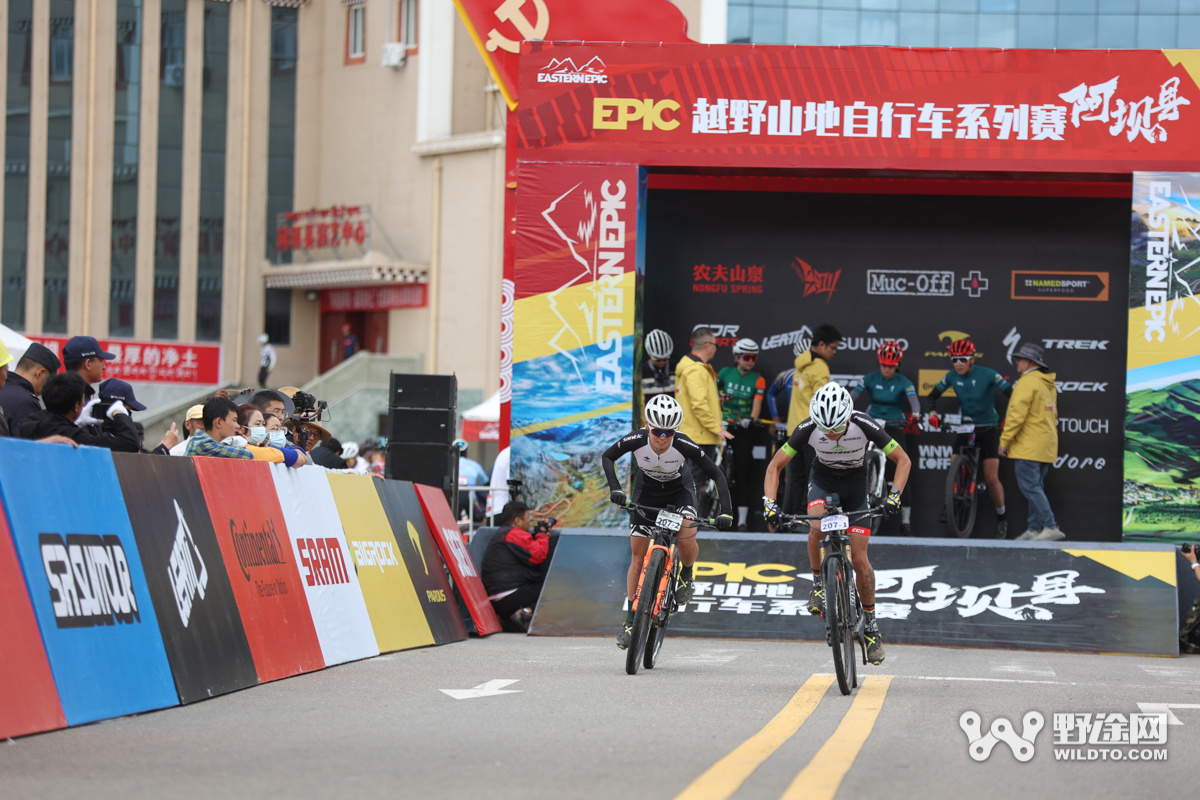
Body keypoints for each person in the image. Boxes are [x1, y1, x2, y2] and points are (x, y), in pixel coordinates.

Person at [762, 383, 911, 666]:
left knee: (859, 557)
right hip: (823, 480)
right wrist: (769, 503)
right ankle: (819, 584)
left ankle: (870, 627)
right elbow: (774, 466)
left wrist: (894, 496)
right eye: (825, 429)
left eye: (837, 428)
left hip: (856, 483)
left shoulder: (863, 423)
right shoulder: (807, 427)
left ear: (848, 417)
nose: (830, 434)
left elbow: (902, 460)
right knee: (817, 526)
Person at [602, 394, 733, 651]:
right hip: (646, 492)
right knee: (638, 559)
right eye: (657, 431)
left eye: (669, 432)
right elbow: (608, 457)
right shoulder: (637, 439)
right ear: (648, 427)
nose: (662, 437)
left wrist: (726, 511)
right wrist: (615, 489)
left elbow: (716, 474)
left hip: (679, 492)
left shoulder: (683, 443)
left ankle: (686, 573)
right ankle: (630, 621)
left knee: (686, 537)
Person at [925, 338, 1013, 538]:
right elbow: (931, 397)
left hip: (989, 427)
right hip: (966, 426)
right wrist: (932, 414)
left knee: (991, 478)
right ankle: (950, 505)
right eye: (954, 359)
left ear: (972, 359)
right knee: (954, 465)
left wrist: (1011, 418)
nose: (958, 364)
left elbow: (1013, 395)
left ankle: (1002, 517)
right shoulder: (951, 376)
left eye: (963, 359)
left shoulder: (988, 374)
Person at [849, 340, 921, 535]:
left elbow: (914, 400)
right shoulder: (870, 378)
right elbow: (853, 396)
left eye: (891, 365)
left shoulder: (903, 382)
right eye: (884, 365)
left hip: (895, 426)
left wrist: (916, 414)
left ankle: (905, 521)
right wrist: (844, 407)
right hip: (872, 425)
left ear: (897, 364)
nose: (887, 369)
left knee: (902, 472)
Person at [1001, 343, 1063, 542]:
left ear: (1031, 362)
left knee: (1030, 488)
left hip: (1029, 445)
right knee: (1035, 487)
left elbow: (1016, 415)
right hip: (1046, 445)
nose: (1017, 361)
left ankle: (1051, 526)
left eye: (1020, 358)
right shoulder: (1046, 383)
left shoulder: (1027, 382)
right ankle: (1035, 528)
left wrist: (1005, 440)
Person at [784, 324, 842, 514]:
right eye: (833, 348)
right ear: (822, 345)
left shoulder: (801, 364)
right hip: (812, 431)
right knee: (814, 478)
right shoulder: (820, 367)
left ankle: (794, 518)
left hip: (794, 430)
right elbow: (823, 402)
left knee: (796, 478)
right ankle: (807, 517)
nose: (834, 352)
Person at [717, 338, 770, 531]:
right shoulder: (725, 373)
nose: (750, 361)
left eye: (754, 358)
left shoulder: (758, 379)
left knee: (742, 473)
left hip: (743, 428)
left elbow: (757, 405)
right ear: (737, 356)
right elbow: (714, 393)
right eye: (747, 357)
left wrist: (752, 418)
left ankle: (741, 521)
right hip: (722, 426)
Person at [674, 326, 733, 491]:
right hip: (699, 438)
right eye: (716, 345)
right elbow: (698, 405)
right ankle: (691, 518)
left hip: (694, 436)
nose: (716, 348)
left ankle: (688, 516)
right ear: (707, 345)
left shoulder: (692, 368)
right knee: (694, 487)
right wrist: (716, 428)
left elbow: (696, 399)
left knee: (690, 486)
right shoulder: (696, 370)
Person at [18, 373, 141, 451]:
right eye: (83, 399)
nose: (84, 403)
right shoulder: (73, 437)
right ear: (76, 406)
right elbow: (130, 443)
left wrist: (75, 423)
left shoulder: (28, 422)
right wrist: (119, 413)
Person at [480, 501, 552, 633]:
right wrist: (542, 534)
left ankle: (507, 620)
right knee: (552, 588)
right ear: (518, 521)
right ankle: (525, 613)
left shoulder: (500, 535)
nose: (528, 523)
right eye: (527, 519)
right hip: (510, 596)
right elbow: (539, 555)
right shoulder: (514, 534)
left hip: (494, 600)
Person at [185, 397, 305, 466]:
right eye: (234, 420)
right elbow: (248, 454)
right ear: (219, 422)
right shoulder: (203, 444)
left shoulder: (212, 443)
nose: (237, 426)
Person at [99, 378, 179, 455]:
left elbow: (137, 460)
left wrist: (161, 447)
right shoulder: (98, 433)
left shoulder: (113, 433)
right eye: (125, 411)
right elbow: (136, 466)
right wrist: (164, 447)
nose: (127, 416)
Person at [0, 342, 60, 433]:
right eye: (47, 382)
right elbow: (29, 445)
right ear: (40, 373)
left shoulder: (4, 388)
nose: (43, 391)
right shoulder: (27, 403)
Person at [641, 329, 676, 399]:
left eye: (665, 359)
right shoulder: (641, 372)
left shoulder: (676, 368)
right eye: (658, 360)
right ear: (648, 354)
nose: (662, 362)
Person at [487, 445, 511, 516]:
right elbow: (512, 482)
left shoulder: (506, 452)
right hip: (501, 509)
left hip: (496, 508)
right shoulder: (513, 454)